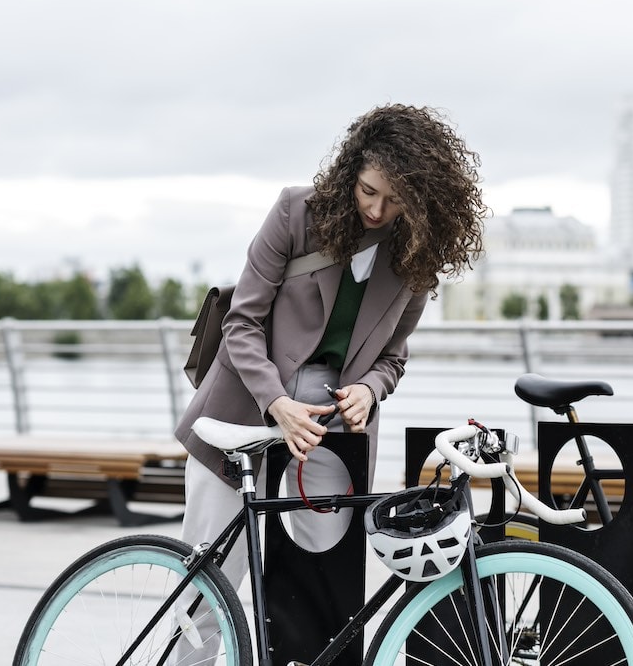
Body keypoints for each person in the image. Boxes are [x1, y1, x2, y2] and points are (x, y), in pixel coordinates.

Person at [172, 103, 487, 658]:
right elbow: (242, 322)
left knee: (321, 573)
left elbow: (393, 357)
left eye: (395, 200)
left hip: (329, 423)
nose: (377, 208)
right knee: (209, 582)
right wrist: (275, 402)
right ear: (351, 172)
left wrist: (370, 389)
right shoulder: (296, 212)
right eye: (368, 190)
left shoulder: (416, 257)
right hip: (245, 403)